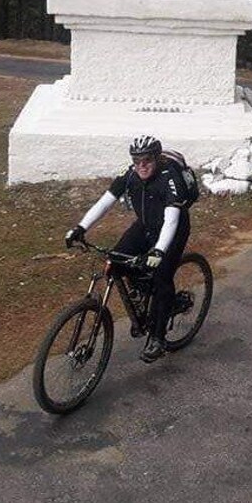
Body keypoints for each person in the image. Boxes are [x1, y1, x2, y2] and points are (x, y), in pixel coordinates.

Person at [65, 135, 192, 363]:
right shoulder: (131, 174)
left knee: (162, 277)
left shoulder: (169, 178)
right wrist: (81, 227)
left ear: (157, 157)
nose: (141, 165)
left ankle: (158, 338)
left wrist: (159, 251)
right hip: (145, 226)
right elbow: (106, 201)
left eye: (147, 160)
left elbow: (172, 218)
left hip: (172, 231)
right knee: (115, 261)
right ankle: (143, 292)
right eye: (136, 160)